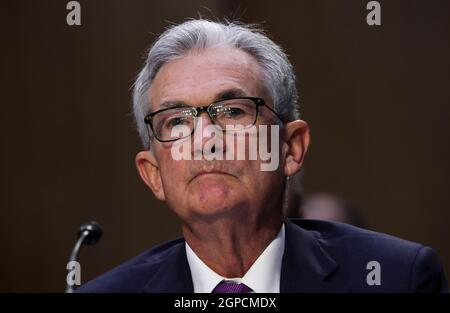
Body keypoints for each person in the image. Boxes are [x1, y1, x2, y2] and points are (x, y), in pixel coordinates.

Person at [77, 19, 448, 293]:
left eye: (233, 111)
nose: (206, 139)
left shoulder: (397, 278)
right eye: (177, 121)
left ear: (291, 148)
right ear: (153, 173)